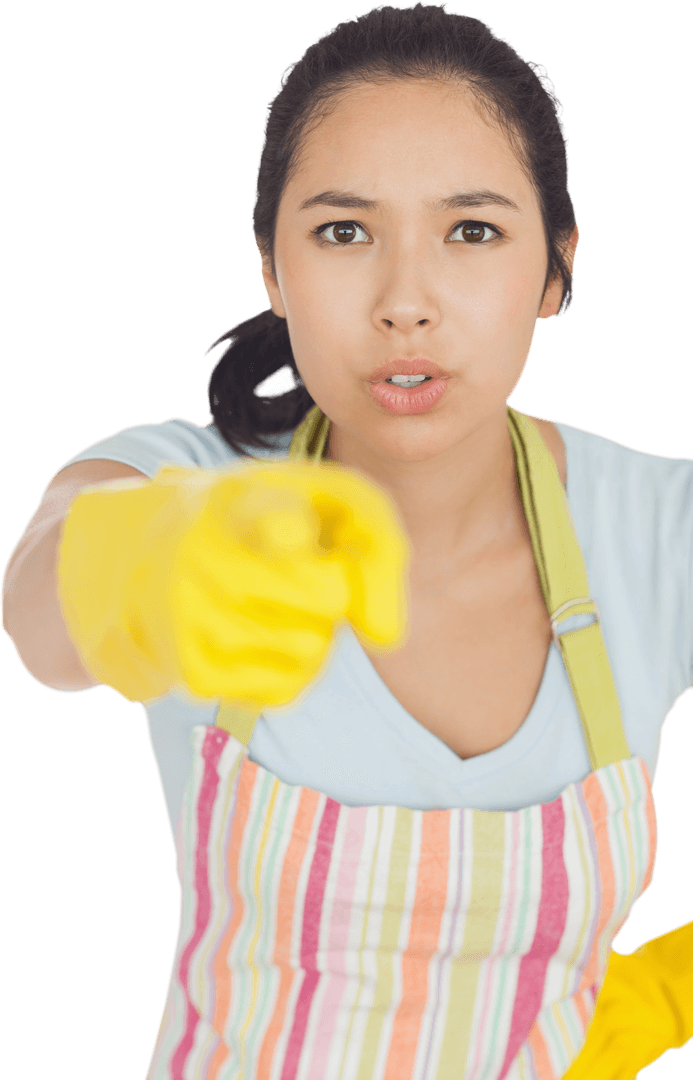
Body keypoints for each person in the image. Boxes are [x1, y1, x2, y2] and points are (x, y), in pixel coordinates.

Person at [2, 3, 691, 1077]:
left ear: (555, 268)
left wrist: (659, 995)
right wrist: (140, 567)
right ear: (273, 270)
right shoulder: (187, 483)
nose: (405, 302)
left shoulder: (660, 531)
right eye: (342, 231)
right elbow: (41, 616)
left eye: (472, 231)